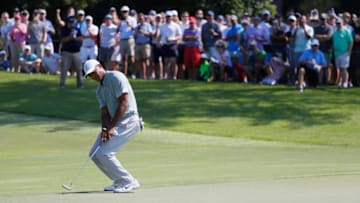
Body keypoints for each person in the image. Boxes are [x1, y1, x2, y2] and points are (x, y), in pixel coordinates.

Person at [83, 59, 143, 193]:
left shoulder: (116, 76)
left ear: (100, 66)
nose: (93, 76)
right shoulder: (99, 90)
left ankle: (128, 181)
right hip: (115, 122)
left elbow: (124, 103)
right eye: (90, 75)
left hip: (129, 120)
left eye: (93, 73)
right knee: (95, 153)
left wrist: (111, 127)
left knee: (105, 153)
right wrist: (105, 129)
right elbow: (104, 112)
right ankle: (119, 181)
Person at [59, 16, 83, 88]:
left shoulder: (77, 29)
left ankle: (80, 84)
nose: (71, 24)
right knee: (64, 68)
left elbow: (81, 38)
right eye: (70, 22)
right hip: (66, 52)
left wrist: (75, 38)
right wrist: (70, 37)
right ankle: (62, 84)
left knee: (79, 69)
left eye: (72, 22)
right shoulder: (64, 30)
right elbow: (62, 40)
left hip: (76, 51)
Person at [333, 17, 353, 88]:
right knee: (340, 69)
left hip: (345, 53)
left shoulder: (346, 31)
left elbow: (351, 41)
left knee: (344, 68)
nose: (338, 25)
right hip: (337, 53)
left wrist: (349, 51)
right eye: (337, 23)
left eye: (339, 23)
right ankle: (341, 82)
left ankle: (345, 82)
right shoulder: (335, 32)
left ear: (342, 23)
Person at [183, 16, 201, 80]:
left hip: (195, 48)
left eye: (192, 23)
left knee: (195, 63)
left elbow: (196, 38)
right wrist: (191, 37)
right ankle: (190, 77)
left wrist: (188, 37)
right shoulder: (186, 30)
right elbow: (184, 38)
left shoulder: (197, 30)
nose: (191, 24)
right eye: (190, 23)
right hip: (188, 48)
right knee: (188, 63)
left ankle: (195, 77)